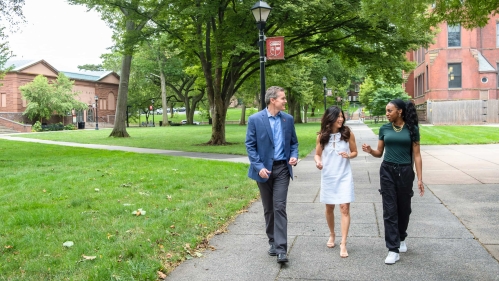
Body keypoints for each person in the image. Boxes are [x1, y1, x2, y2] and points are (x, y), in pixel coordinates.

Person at [361, 99, 424, 265]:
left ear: (400, 111)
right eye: (386, 111)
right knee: (390, 210)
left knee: (404, 209)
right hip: (387, 171)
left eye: (390, 111)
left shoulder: (412, 129)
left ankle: (401, 237)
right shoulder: (384, 128)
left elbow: (417, 155)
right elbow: (379, 152)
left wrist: (420, 178)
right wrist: (370, 150)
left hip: (405, 171)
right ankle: (392, 249)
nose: (387, 114)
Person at [245, 86, 299, 264]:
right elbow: (250, 146)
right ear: (272, 100)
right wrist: (258, 166)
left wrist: (294, 155)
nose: (285, 101)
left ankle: (282, 248)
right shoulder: (255, 119)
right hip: (264, 171)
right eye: (282, 98)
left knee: (279, 207)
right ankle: (272, 241)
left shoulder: (288, 119)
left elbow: (294, 143)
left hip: (282, 168)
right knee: (268, 209)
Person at [314, 106, 357, 258]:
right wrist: (318, 162)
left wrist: (349, 155)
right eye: (338, 116)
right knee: (329, 207)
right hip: (328, 176)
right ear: (330, 118)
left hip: (344, 175)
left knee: (344, 208)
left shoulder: (347, 133)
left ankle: (343, 243)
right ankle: (332, 234)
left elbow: (355, 152)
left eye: (342, 116)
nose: (341, 119)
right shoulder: (322, 136)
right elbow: (317, 155)